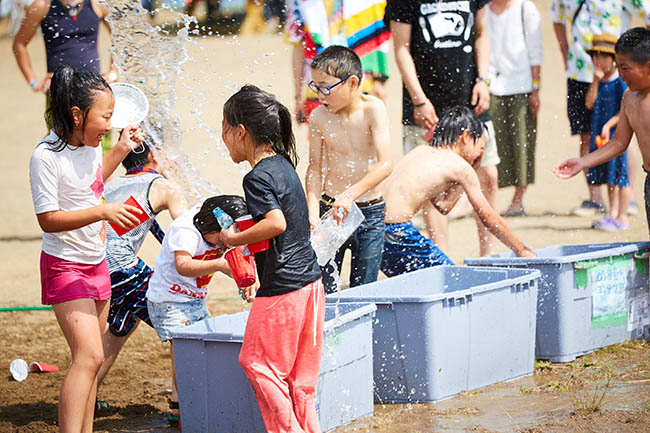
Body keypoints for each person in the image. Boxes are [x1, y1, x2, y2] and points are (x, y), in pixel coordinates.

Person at [28, 65, 144, 433]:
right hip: (65, 266)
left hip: (96, 263)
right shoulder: (45, 156)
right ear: (77, 114)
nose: (109, 125)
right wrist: (103, 211)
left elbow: (92, 181)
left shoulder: (91, 146)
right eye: (105, 117)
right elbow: (48, 219)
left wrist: (122, 148)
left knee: (90, 363)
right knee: (90, 355)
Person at [219, 85, 324, 433]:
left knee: (256, 363)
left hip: (283, 288)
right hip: (311, 286)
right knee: (300, 381)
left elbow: (275, 223)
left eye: (224, 128)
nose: (224, 139)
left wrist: (233, 238)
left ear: (240, 131)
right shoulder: (283, 165)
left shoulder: (256, 176)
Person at [386, 0, 501, 257]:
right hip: (426, 105)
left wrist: (483, 79)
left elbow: (481, 33)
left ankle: (488, 254)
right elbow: (401, 49)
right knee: (432, 186)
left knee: (488, 175)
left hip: (471, 98)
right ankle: (442, 257)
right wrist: (418, 99)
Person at [381, 106, 536, 277]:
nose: (480, 155)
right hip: (397, 231)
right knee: (452, 278)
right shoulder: (460, 166)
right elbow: (489, 217)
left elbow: (443, 206)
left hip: (373, 228)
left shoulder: (422, 150)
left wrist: (466, 174)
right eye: (480, 147)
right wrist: (520, 249)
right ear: (466, 137)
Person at [146, 195, 249, 425]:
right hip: (168, 300)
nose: (224, 245)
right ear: (210, 226)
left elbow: (243, 254)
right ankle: (181, 410)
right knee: (185, 355)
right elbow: (183, 266)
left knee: (197, 352)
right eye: (221, 240)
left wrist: (247, 281)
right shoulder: (186, 230)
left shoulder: (220, 232)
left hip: (194, 301)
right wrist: (220, 265)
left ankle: (183, 405)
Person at [95, 142, 188, 394]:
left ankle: (86, 396)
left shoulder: (113, 184)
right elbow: (187, 231)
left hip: (94, 267)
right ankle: (182, 405)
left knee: (123, 325)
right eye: (165, 153)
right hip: (121, 265)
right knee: (182, 323)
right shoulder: (165, 186)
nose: (171, 159)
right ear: (151, 157)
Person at [305, 45, 392, 293]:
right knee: (324, 288)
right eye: (315, 86)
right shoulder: (319, 118)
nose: (319, 95)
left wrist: (349, 195)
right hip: (331, 211)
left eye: (325, 87)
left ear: (352, 83)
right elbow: (314, 169)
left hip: (370, 212)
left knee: (362, 290)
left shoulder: (372, 109)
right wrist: (313, 216)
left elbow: (386, 163)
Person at [551, 0, 650, 217]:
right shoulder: (629, 99)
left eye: (625, 68)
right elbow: (618, 142)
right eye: (618, 67)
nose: (621, 75)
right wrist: (582, 162)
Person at [285, 0, 391, 123]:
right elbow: (299, 46)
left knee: (363, 138)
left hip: (360, 85)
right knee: (321, 138)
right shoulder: (302, 2)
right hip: (319, 89)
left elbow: (381, 35)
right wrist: (297, 96)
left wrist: (379, 80)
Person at [487, 0, 543, 217]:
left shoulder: (525, 8)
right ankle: (488, 200)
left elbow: (536, 51)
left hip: (521, 86)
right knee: (491, 143)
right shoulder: (483, 8)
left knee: (522, 144)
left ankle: (518, 200)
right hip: (491, 85)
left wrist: (536, 90)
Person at [12, 0, 118, 96]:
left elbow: (118, 37)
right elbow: (19, 44)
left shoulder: (98, 4)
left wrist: (113, 73)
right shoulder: (41, 6)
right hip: (59, 90)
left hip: (93, 88)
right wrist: (33, 82)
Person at [584, 33, 631, 231]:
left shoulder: (620, 82)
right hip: (601, 136)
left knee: (621, 176)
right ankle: (612, 213)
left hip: (616, 135)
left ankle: (622, 215)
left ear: (613, 60)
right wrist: (594, 82)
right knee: (609, 176)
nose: (598, 61)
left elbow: (626, 109)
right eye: (595, 56)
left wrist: (609, 124)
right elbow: (589, 103)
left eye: (603, 56)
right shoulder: (599, 81)